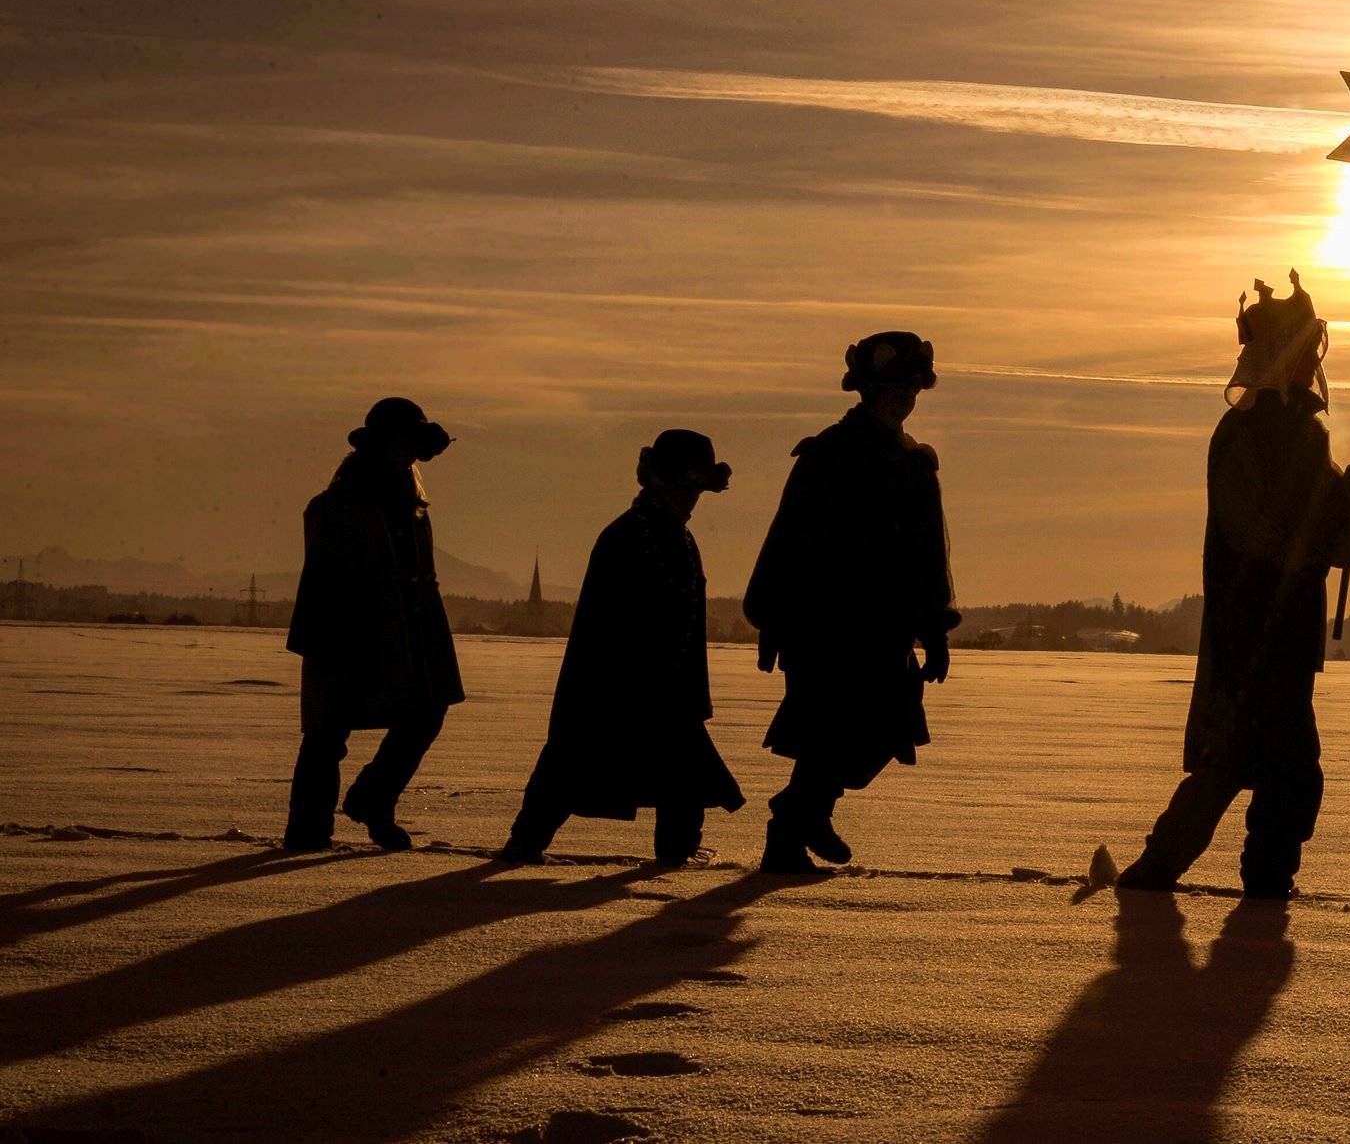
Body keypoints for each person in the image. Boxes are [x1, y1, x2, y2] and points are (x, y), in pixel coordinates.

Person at [1118, 272, 1350, 899]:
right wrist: (1323, 550)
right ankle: (1173, 876)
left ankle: (1260, 883)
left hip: (1287, 633)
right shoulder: (1242, 435)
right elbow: (1252, 534)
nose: (1311, 360)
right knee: (1239, 762)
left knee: (1278, 769)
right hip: (1249, 626)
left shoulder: (1309, 435)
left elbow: (1320, 515)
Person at [745, 331, 959, 874]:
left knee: (884, 730)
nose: (903, 398)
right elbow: (788, 538)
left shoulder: (916, 461)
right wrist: (772, 619)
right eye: (892, 387)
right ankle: (789, 836)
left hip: (886, 630)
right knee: (826, 733)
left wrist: (933, 631)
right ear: (866, 390)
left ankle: (798, 814)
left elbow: (929, 553)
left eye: (911, 388)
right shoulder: (828, 455)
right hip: (823, 626)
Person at [498, 431, 746, 864]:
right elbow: (605, 623)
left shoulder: (678, 538)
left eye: (697, 491)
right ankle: (525, 843)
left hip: (667, 688)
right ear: (660, 483)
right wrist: (626, 681)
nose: (692, 500)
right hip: (613, 684)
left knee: (683, 771)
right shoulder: (627, 536)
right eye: (686, 489)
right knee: (569, 762)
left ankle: (676, 854)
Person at [282, 397, 464, 851]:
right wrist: (335, 645)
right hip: (346, 632)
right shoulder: (337, 504)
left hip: (410, 635)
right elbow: (324, 578)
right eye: (400, 442)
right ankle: (308, 831)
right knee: (327, 734)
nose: (407, 452)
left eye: (412, 443)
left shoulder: (413, 502)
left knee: (426, 714)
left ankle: (373, 800)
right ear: (378, 445)